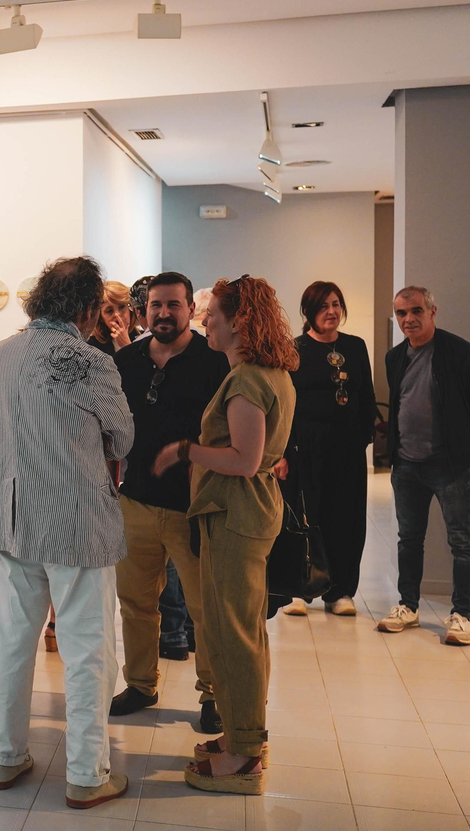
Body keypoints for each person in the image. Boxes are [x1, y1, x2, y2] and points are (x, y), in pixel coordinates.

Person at [0, 256, 134, 810]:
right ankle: (87, 772)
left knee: (15, 641)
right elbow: (122, 435)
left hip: (12, 514)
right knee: (87, 648)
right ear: (91, 308)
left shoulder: (3, 354)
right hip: (75, 520)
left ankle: (4, 757)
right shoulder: (88, 360)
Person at [152, 275, 296, 796]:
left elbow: (245, 459)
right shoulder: (265, 372)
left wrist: (186, 450)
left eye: (212, 312)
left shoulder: (248, 380)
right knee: (242, 631)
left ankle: (243, 752)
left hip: (236, 515)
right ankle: (242, 735)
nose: (204, 319)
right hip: (240, 513)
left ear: (241, 321)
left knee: (233, 636)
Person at [108, 272, 229, 734]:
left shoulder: (213, 360)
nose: (163, 313)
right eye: (155, 305)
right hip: (135, 501)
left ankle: (214, 694)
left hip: (192, 507)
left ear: (190, 310)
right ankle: (141, 684)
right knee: (135, 603)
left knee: (204, 607)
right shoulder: (128, 361)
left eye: (172, 305)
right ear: (144, 311)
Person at [374, 286, 470, 646]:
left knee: (461, 541)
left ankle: (461, 614)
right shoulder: (394, 357)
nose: (408, 319)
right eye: (401, 314)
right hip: (407, 466)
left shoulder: (461, 354)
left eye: (416, 311)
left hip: (449, 465)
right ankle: (408, 606)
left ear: (433, 311)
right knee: (408, 540)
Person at [284, 281, 375, 617]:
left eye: (336, 304)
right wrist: (284, 450)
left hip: (347, 447)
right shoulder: (295, 348)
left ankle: (340, 591)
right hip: (305, 447)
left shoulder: (355, 346)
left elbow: (366, 394)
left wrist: (365, 436)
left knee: (346, 519)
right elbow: (286, 402)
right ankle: (300, 588)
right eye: (324, 306)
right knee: (307, 516)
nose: (332, 312)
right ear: (309, 312)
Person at [89, 279, 134, 356]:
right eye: (109, 311)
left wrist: (127, 346)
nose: (117, 315)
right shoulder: (91, 347)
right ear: (101, 318)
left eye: (122, 307)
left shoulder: (145, 339)